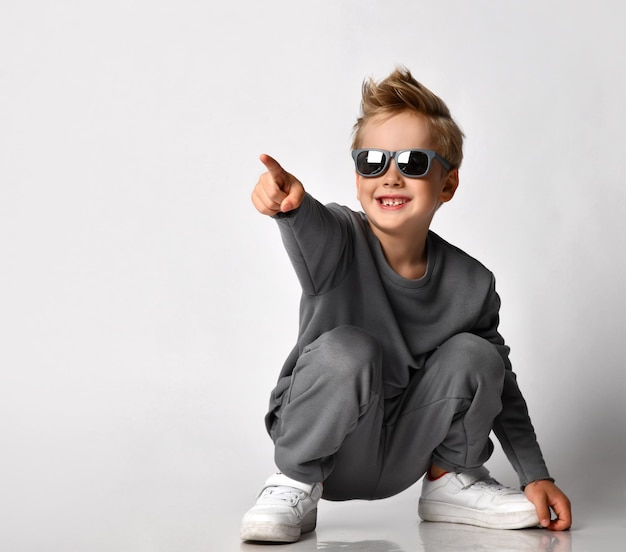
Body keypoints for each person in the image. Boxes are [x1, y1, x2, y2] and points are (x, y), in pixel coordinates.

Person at [240, 67, 572, 543]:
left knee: (477, 354)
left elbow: (501, 386)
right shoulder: (337, 241)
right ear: (357, 179)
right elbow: (306, 220)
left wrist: (535, 474)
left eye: (414, 162)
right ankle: (293, 482)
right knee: (350, 348)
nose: (391, 176)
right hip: (324, 447)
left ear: (447, 184)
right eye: (372, 161)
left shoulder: (472, 283)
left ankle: (450, 482)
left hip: (406, 451)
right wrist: (289, 204)